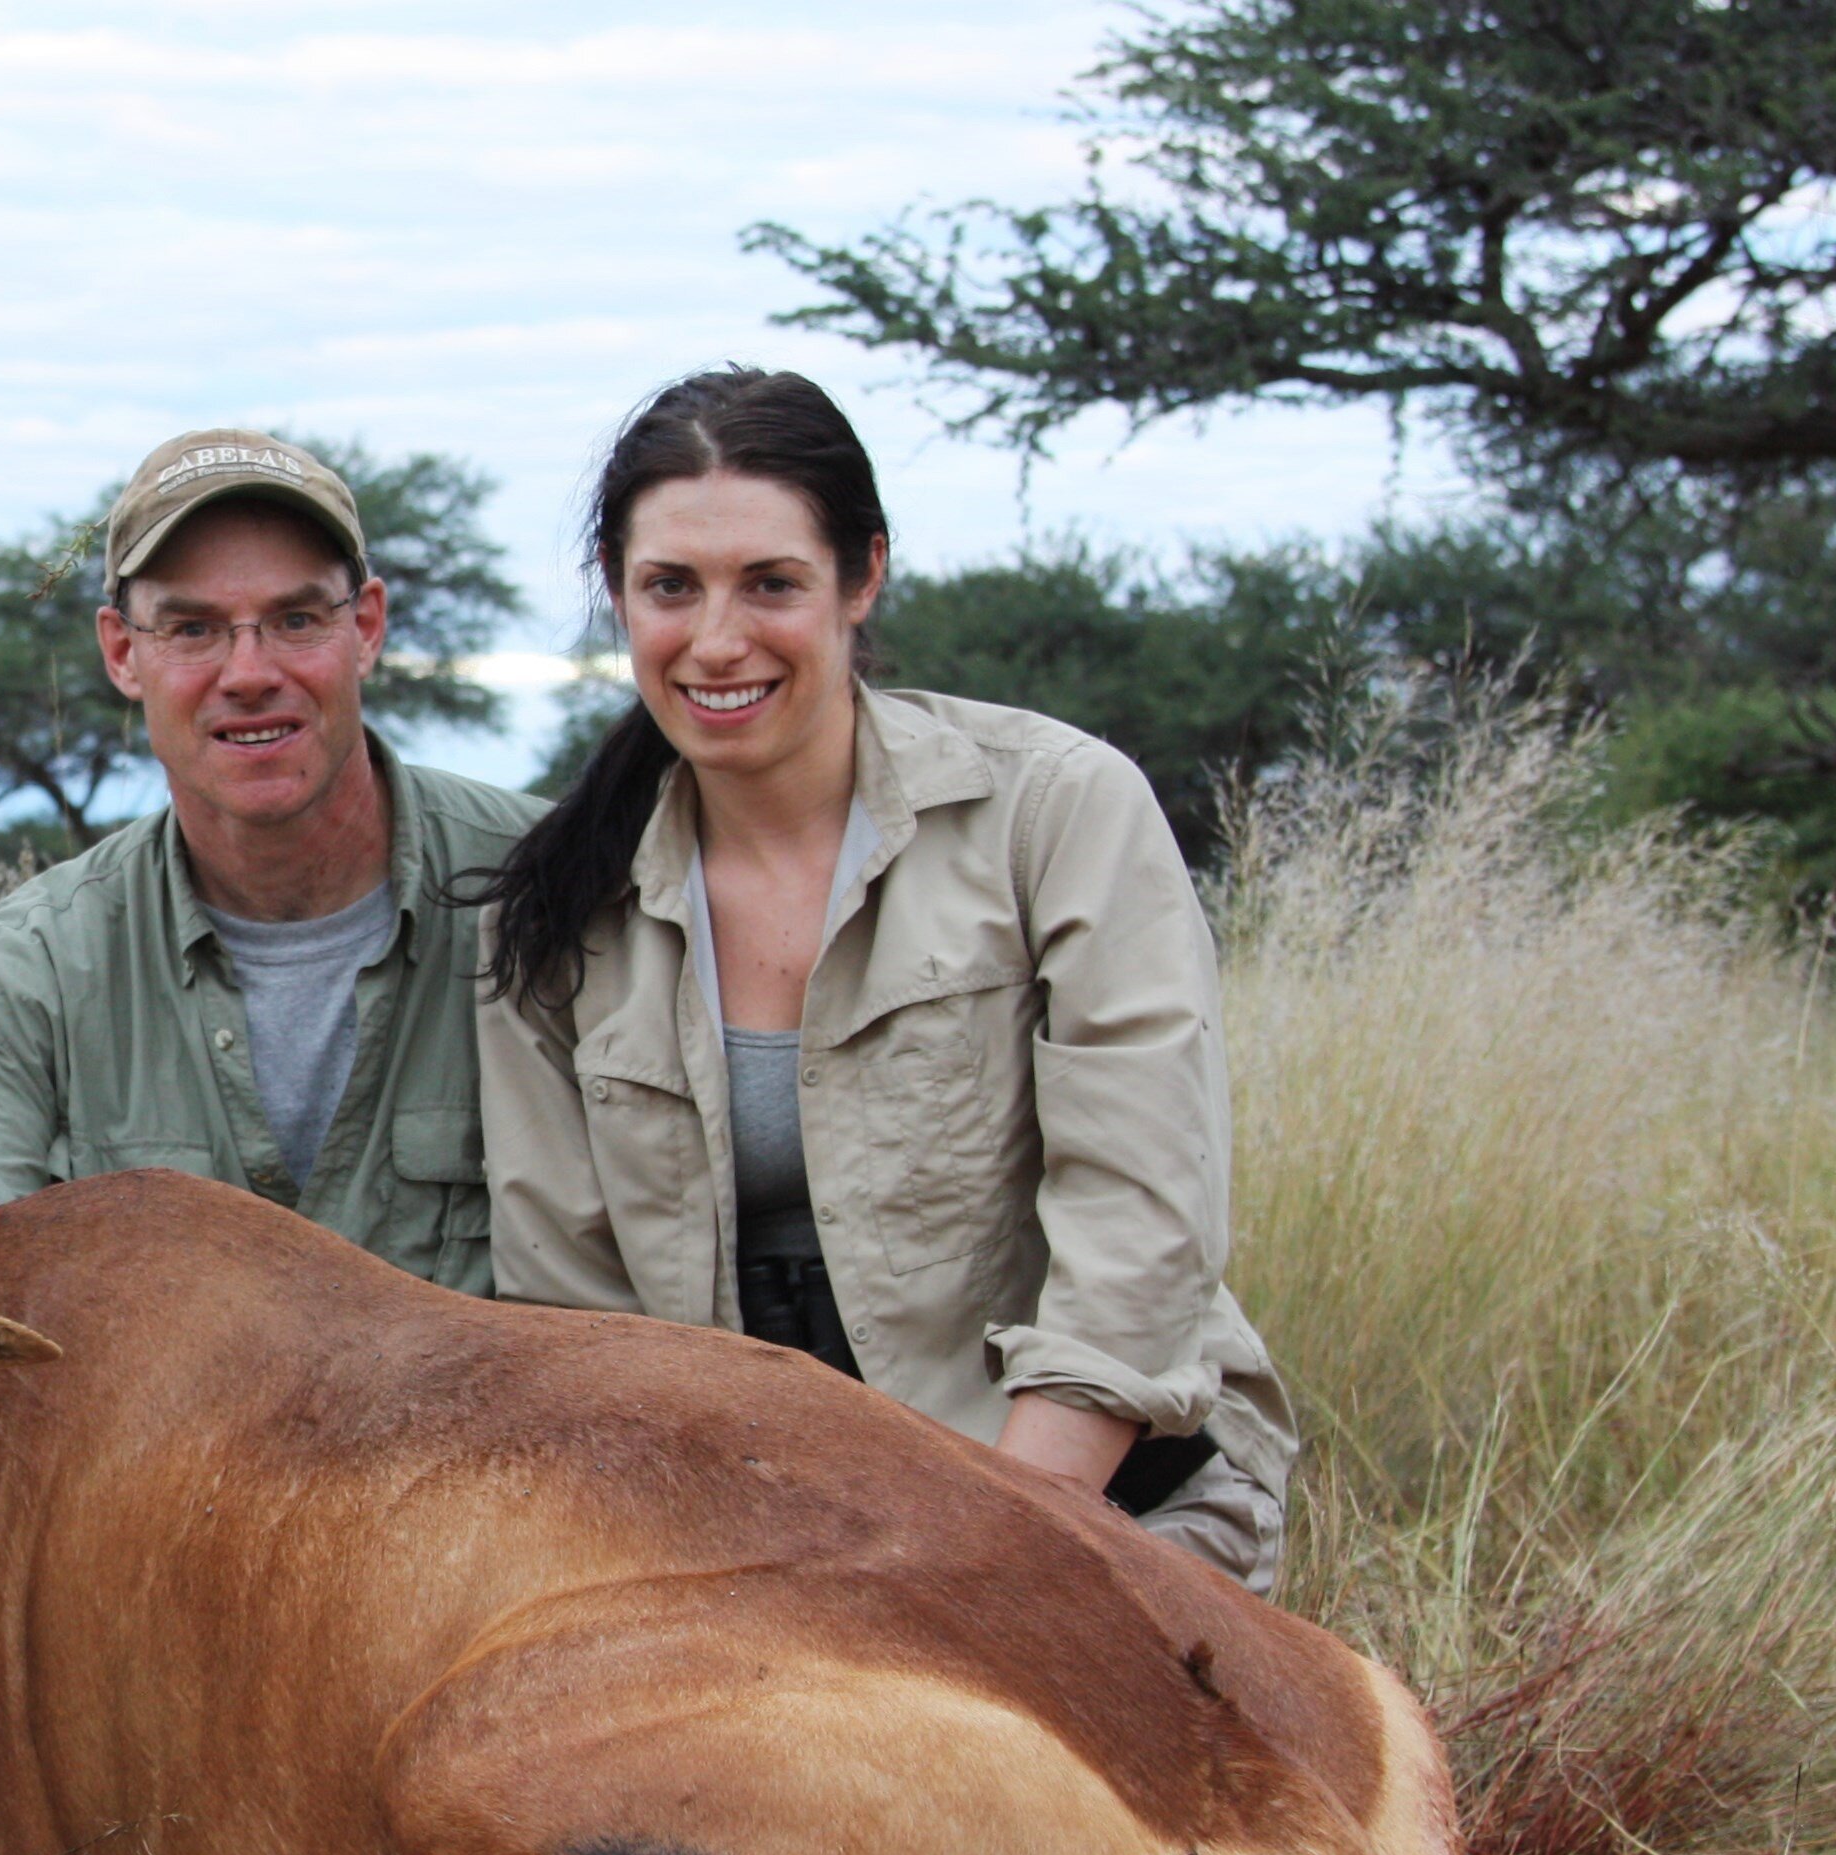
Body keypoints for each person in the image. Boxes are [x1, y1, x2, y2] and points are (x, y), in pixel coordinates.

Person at [473, 367, 1294, 1590]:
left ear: (862, 577)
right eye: (669, 588)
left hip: (1094, 1495)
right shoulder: (554, 914)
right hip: (749, 1540)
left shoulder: (1055, 813)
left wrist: (978, 1561)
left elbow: (1140, 1232)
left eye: (771, 584)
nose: (715, 640)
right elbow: (573, 1325)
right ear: (616, 594)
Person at [0, 430, 540, 1289]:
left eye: (295, 619)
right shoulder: (24, 971)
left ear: (366, 627)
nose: (248, 673)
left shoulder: (559, 885)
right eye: (192, 628)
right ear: (123, 652)